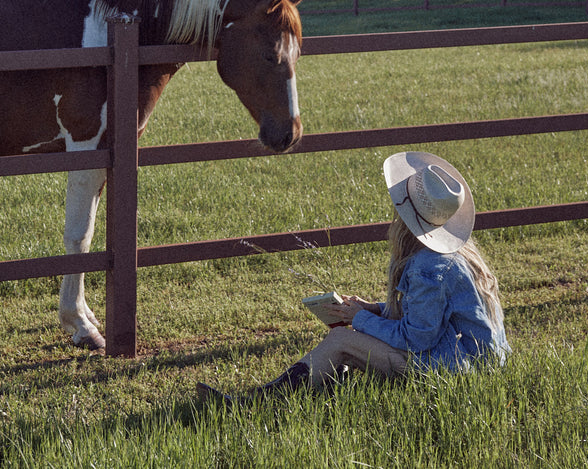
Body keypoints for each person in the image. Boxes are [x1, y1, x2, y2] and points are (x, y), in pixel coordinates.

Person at [197, 151, 510, 402]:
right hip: (472, 362)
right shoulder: (454, 256)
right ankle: (320, 389)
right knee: (350, 337)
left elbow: (417, 338)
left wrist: (361, 319)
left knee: (342, 338)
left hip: (458, 372)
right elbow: (431, 317)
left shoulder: (429, 268)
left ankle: (256, 404)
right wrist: (374, 309)